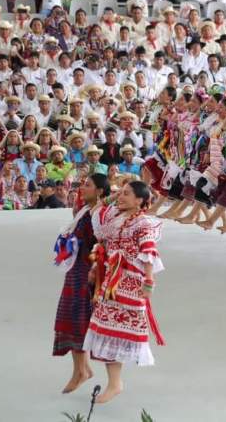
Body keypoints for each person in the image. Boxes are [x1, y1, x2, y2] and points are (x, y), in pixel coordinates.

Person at [84, 180, 164, 404]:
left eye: (127, 194)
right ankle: (114, 382)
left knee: (118, 330)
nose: (121, 197)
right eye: (120, 193)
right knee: (106, 330)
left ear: (140, 200)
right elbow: (98, 220)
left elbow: (149, 250)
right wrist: (95, 267)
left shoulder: (144, 223)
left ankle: (115, 383)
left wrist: (148, 281)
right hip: (110, 279)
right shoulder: (114, 218)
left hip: (130, 283)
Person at [52, 173, 110, 394]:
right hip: (76, 270)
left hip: (87, 272)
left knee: (78, 319)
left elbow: (100, 243)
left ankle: (81, 371)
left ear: (100, 191)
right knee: (71, 319)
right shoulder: (86, 210)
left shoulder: (101, 213)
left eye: (88, 185)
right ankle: (82, 369)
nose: (82, 188)